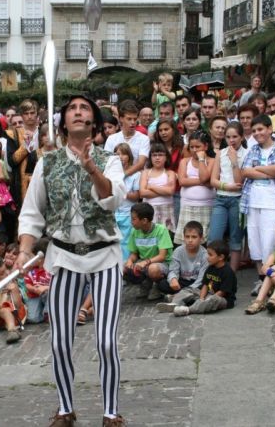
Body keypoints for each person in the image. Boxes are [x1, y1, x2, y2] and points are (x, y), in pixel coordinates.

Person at [15, 94, 126, 427]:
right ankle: (66, 408)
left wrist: (91, 166)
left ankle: (111, 412)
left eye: (85, 109)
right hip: (63, 258)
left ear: (94, 121)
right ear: (63, 123)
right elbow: (32, 212)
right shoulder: (47, 163)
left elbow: (112, 201)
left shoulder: (110, 160)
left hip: (104, 256)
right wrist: (24, 249)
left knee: (106, 341)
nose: (78, 112)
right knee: (60, 341)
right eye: (72, 110)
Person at [240, 114, 275, 296]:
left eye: (260, 129)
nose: (257, 133)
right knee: (256, 244)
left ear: (270, 129)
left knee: (271, 244)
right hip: (252, 203)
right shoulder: (252, 149)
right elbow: (245, 171)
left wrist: (258, 169)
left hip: (273, 203)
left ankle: (273, 281)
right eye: (254, 131)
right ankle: (262, 280)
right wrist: (268, 171)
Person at [209, 122, 247, 270]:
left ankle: (231, 273)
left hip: (237, 199)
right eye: (228, 137)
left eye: (235, 136)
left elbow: (240, 181)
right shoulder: (220, 153)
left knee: (235, 238)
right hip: (221, 198)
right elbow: (213, 180)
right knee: (214, 236)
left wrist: (234, 161)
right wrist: (226, 186)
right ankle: (213, 271)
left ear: (242, 137)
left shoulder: (246, 154)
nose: (231, 140)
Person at [167, 240, 237, 317]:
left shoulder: (228, 272)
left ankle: (188, 310)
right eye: (207, 254)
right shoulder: (210, 267)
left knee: (213, 300)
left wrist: (206, 300)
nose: (207, 257)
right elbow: (205, 285)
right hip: (208, 295)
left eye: (210, 255)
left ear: (221, 257)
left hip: (222, 299)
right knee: (190, 290)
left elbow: (222, 292)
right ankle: (175, 303)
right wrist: (201, 299)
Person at [123, 202, 173, 300]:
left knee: (153, 269)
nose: (131, 221)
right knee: (123, 269)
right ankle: (145, 283)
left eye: (134, 219)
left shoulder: (161, 230)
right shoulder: (134, 231)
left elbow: (162, 256)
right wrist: (129, 261)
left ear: (144, 220)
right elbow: (134, 253)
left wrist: (145, 262)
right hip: (143, 263)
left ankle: (156, 285)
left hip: (161, 264)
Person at [174, 131, 214, 245]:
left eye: (198, 147)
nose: (195, 150)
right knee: (187, 239)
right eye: (192, 147)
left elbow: (206, 177)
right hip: (187, 205)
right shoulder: (185, 161)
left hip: (206, 206)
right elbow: (182, 181)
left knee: (203, 239)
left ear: (206, 146)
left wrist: (202, 160)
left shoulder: (212, 161)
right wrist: (203, 182)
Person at [156, 221, 207, 297]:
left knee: (205, 287)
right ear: (184, 237)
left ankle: (179, 296)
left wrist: (189, 289)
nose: (190, 240)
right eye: (187, 236)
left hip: (196, 283)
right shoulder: (178, 251)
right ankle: (185, 296)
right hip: (182, 281)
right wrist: (173, 279)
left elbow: (202, 278)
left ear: (201, 238)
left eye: (194, 237)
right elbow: (173, 270)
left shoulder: (205, 254)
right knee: (162, 284)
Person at [104, 100, 150, 177]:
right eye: (129, 119)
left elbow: (141, 163)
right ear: (121, 118)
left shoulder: (144, 139)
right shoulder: (111, 139)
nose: (133, 122)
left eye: (135, 119)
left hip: (137, 180)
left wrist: (122, 175)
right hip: (114, 179)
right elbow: (106, 162)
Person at [139, 143, 177, 233]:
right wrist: (163, 190)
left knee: (166, 236)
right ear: (150, 157)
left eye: (160, 155)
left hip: (166, 209)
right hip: (149, 210)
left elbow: (170, 191)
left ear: (166, 157)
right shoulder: (146, 173)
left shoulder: (170, 173)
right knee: (150, 236)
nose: (157, 158)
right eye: (154, 155)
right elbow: (142, 193)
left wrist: (151, 186)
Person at [113, 143, 140, 261]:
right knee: (113, 241)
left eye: (124, 154)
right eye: (117, 154)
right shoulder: (111, 173)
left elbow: (136, 196)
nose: (121, 157)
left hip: (128, 213)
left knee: (126, 241)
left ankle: (125, 268)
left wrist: (122, 191)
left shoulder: (136, 174)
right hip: (113, 213)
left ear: (129, 156)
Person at [24, 253, 51, 324]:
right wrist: (34, 289)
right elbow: (27, 284)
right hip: (34, 296)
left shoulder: (50, 271)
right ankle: (41, 313)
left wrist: (45, 288)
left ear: (40, 259)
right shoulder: (30, 271)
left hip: (46, 293)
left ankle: (47, 313)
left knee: (48, 294)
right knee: (33, 319)